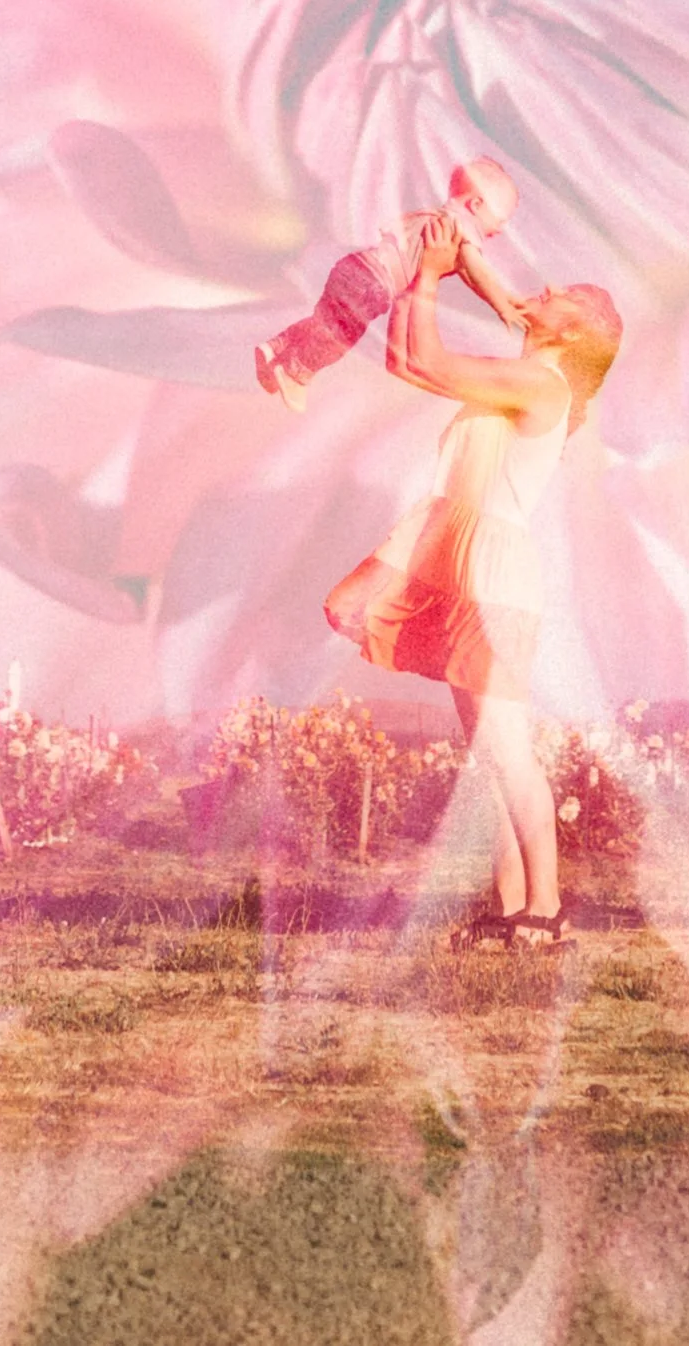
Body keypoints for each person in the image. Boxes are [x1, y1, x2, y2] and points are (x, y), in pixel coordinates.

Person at [323, 219, 623, 949]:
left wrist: (427, 274)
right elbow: (417, 350)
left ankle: (545, 913)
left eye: (565, 299)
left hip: (493, 578)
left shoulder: (538, 383)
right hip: (472, 563)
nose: (544, 290)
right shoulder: (531, 374)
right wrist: (459, 269)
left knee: (507, 747)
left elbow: (416, 361)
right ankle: (512, 906)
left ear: (571, 336)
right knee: (491, 753)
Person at [253, 155, 519, 412]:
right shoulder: (462, 229)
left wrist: (504, 298)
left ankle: (276, 347)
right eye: (502, 217)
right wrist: (501, 305)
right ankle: (296, 371)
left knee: (325, 321)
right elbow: (477, 272)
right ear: (476, 205)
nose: (503, 227)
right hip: (374, 285)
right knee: (339, 337)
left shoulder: (433, 216)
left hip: (355, 264)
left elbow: (468, 274)